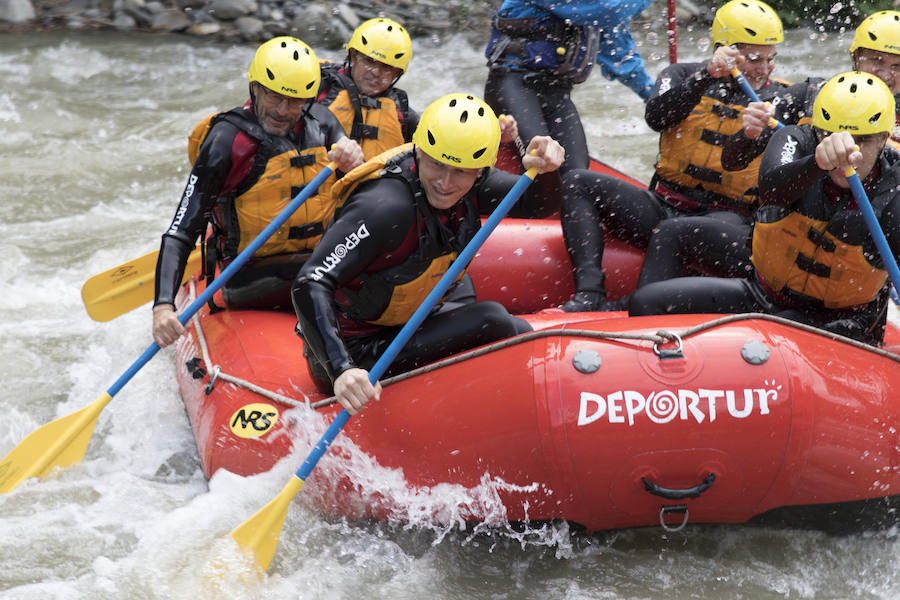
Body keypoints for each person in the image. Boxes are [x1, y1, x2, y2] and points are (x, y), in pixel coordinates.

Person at [291, 93, 565, 414]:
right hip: (357, 356)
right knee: (492, 320)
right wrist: (341, 368)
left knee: (510, 326)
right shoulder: (384, 207)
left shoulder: (474, 182)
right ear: (419, 151)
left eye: (461, 171)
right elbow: (310, 281)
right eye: (437, 164)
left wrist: (545, 170)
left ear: (480, 170)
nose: (446, 183)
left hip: (411, 322)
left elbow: (538, 205)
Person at [629, 71, 900, 346]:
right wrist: (816, 163)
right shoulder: (798, 141)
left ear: (884, 139)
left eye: (862, 140)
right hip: (765, 295)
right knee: (646, 302)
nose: (846, 151)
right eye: (831, 136)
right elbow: (772, 190)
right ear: (818, 130)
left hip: (837, 322)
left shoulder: (895, 188)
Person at [635, 9, 900, 290]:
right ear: (855, 58)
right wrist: (748, 133)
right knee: (673, 234)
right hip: (782, 248)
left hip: (856, 265)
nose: (884, 74)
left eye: (897, 66)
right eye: (876, 60)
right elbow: (733, 160)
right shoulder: (811, 96)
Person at [559, 0, 792, 311]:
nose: (763, 69)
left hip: (729, 220)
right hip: (664, 205)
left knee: (675, 231)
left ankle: (636, 309)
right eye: (753, 59)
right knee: (577, 181)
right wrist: (706, 76)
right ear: (725, 50)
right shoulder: (682, 74)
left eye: (770, 59)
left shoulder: (785, 99)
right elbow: (657, 116)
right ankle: (590, 292)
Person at [152, 36, 365, 348]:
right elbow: (182, 229)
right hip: (247, 274)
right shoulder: (227, 140)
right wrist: (163, 306)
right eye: (273, 97)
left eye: (294, 102)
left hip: (318, 258)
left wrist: (353, 160)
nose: (281, 110)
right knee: (334, 274)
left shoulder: (323, 123)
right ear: (255, 87)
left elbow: (359, 197)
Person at [483, 0, 654, 175]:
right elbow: (611, 10)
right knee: (541, 163)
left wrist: (654, 96)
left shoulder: (596, 11)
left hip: (557, 94)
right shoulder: (598, 8)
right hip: (513, 86)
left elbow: (620, 57)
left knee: (577, 176)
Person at [316, 17, 420, 159]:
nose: (376, 72)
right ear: (354, 56)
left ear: (397, 73)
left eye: (387, 67)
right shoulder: (320, 86)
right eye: (370, 61)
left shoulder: (404, 114)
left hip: (374, 181)